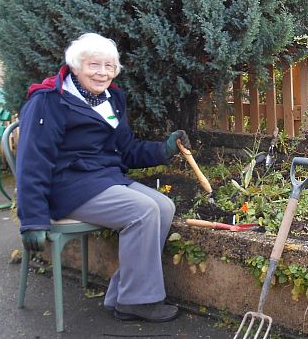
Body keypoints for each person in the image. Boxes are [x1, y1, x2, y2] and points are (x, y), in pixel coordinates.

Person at [15, 32, 191, 323]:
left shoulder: (112, 99)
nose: (103, 73)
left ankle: (123, 294)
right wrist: (31, 219)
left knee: (163, 207)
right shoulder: (49, 101)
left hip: (104, 179)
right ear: (75, 66)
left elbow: (127, 150)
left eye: (109, 66)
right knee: (143, 211)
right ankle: (137, 301)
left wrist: (164, 149)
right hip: (67, 185)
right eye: (94, 65)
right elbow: (32, 162)